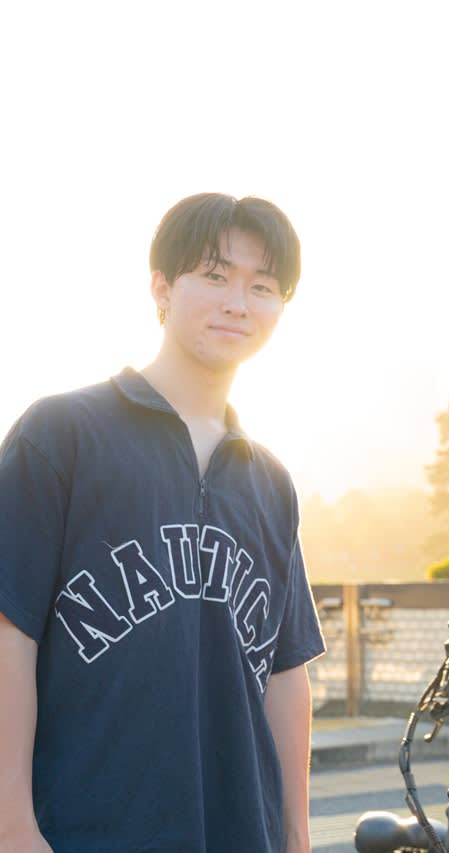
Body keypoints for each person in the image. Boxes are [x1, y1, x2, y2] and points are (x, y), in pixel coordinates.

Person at [0, 193, 325, 852]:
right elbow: (11, 631)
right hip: (84, 830)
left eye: (262, 286)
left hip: (242, 832)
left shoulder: (269, 479)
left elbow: (285, 673)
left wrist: (295, 837)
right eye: (214, 275)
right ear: (161, 287)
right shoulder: (61, 434)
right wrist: (12, 826)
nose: (238, 302)